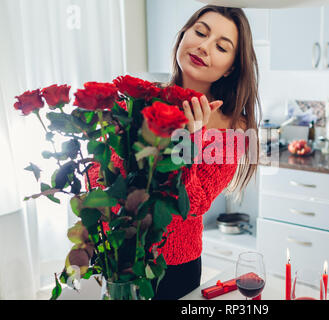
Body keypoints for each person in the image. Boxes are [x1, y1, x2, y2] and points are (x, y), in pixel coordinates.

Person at [90, 5, 261, 300]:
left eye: (221, 46)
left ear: (231, 66)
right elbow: (97, 176)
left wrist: (188, 140)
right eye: (200, 32)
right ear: (183, 35)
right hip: (117, 256)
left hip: (175, 270)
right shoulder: (137, 100)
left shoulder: (235, 130)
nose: (204, 47)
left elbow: (192, 205)